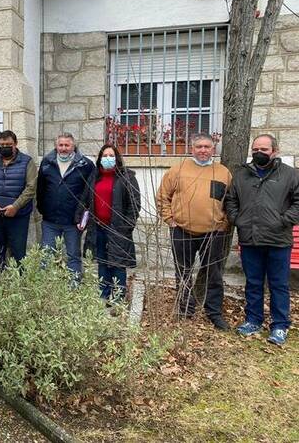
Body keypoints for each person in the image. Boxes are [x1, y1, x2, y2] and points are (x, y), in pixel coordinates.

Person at [226, 134, 299, 345]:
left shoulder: (290, 174)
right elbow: (231, 200)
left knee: (279, 285)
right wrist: (237, 219)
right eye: (255, 149)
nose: (259, 153)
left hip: (278, 240)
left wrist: (283, 221)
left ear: (274, 151)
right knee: (253, 283)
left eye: (264, 149)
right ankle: (253, 320)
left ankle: (280, 325)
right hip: (250, 239)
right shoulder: (241, 175)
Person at [156, 133, 232, 330]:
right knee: (183, 273)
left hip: (213, 233)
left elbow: (231, 201)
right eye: (199, 146)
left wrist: (224, 224)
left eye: (207, 146)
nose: (203, 150)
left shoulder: (223, 172)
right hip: (182, 231)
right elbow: (163, 196)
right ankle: (185, 310)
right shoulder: (178, 170)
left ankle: (214, 313)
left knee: (213, 275)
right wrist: (170, 220)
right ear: (192, 149)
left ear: (213, 149)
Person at [83, 145, 141, 302]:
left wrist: (126, 226)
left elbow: (135, 204)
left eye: (111, 155)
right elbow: (85, 200)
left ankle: (118, 298)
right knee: (102, 262)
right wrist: (80, 219)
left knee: (118, 264)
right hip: (98, 227)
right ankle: (104, 294)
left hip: (118, 229)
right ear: (100, 158)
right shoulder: (94, 176)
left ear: (117, 158)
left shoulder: (127, 177)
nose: (108, 158)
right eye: (105, 155)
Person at [0, 130, 36, 272]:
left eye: (8, 144)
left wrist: (15, 206)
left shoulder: (27, 162)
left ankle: (20, 283)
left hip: (18, 216)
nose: (5, 147)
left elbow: (31, 188)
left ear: (16, 144)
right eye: (2, 145)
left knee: (18, 253)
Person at [37, 133, 95, 276]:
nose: (63, 148)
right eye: (60, 145)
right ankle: (43, 285)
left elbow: (90, 193)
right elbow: (40, 189)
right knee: (46, 255)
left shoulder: (86, 165)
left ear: (73, 146)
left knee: (73, 256)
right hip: (50, 220)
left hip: (73, 221)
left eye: (67, 145)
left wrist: (83, 217)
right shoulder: (47, 163)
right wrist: (43, 209)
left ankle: (74, 285)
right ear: (56, 146)